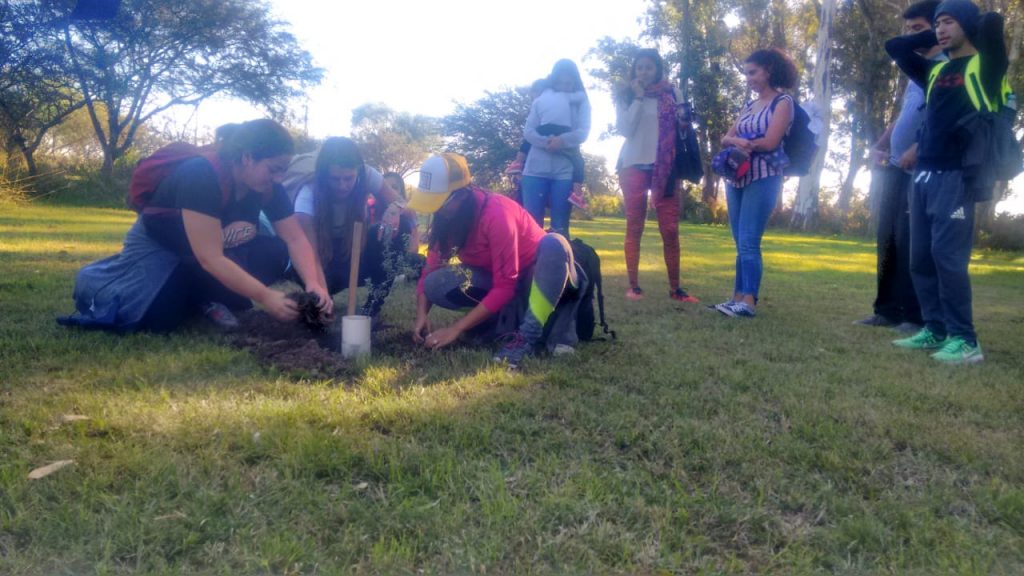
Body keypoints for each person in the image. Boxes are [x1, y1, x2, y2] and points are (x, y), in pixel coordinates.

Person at [60, 119, 331, 332]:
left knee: (274, 252)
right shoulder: (201, 175)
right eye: (274, 169)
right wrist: (264, 296)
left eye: (284, 169)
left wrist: (314, 284)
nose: (279, 178)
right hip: (163, 248)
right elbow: (210, 257)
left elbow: (295, 240)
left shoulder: (269, 187)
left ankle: (205, 296)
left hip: (207, 254)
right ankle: (98, 281)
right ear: (247, 157)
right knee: (158, 318)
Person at [885, 0, 1009, 363]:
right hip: (924, 173)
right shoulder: (936, 72)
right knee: (920, 257)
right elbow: (896, 47)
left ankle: (965, 340)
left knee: (948, 258)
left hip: (957, 175)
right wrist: (937, 32)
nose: (939, 29)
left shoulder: (985, 67)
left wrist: (965, 22)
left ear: (968, 26)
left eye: (948, 22)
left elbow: (994, 22)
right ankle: (935, 329)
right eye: (937, 23)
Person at [408, 153, 585, 369]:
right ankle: (502, 323)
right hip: (508, 288)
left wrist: (456, 328)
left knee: (554, 243)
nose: (436, 211)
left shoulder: (497, 214)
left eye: (440, 203)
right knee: (435, 283)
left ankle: (527, 336)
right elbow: (430, 269)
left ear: (461, 195)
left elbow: (505, 286)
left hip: (540, 280)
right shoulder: (448, 219)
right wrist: (421, 315)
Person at [856, 1, 943, 334]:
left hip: (922, 168)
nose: (910, 36)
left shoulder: (948, 68)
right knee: (888, 238)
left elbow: (946, 117)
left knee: (912, 242)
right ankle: (886, 309)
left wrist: (918, 147)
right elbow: (907, 115)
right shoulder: (916, 67)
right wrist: (883, 142)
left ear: (937, 28)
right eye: (907, 30)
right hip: (894, 165)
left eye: (918, 29)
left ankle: (914, 316)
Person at [291, 137, 417, 317]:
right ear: (323, 175)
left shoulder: (368, 175)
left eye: (349, 178)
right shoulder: (307, 195)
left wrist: (395, 208)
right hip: (322, 258)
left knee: (401, 225)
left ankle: (372, 308)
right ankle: (323, 303)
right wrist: (323, 293)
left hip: (354, 252)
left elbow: (406, 208)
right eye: (335, 179)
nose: (342, 186)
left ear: (358, 171)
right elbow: (310, 254)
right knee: (318, 297)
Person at [713, 48, 797, 318]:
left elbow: (772, 141)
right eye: (746, 73)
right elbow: (726, 138)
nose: (748, 78)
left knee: (749, 241)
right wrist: (739, 141)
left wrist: (747, 142)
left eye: (753, 72)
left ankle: (748, 301)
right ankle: (736, 297)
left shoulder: (783, 102)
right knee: (740, 242)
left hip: (764, 177)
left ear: (768, 70)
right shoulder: (750, 105)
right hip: (737, 176)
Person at [615, 48, 699, 304]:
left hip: (666, 166)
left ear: (658, 69)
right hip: (632, 165)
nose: (644, 71)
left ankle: (676, 289)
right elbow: (625, 129)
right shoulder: (625, 96)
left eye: (649, 67)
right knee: (635, 225)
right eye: (639, 67)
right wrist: (638, 98)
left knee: (671, 229)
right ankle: (634, 286)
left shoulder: (673, 93)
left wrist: (685, 121)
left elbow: (683, 128)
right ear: (634, 71)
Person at [520, 59, 592, 238]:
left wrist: (562, 141)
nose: (563, 87)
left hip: (564, 172)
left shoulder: (581, 101)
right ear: (553, 80)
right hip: (534, 171)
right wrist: (547, 142)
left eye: (568, 83)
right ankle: (531, 266)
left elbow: (583, 132)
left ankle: (560, 265)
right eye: (559, 82)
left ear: (575, 81)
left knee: (560, 230)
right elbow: (528, 132)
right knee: (531, 229)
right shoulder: (541, 100)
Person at [506, 78, 588, 210]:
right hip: (547, 162)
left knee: (530, 138)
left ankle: (518, 162)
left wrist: (549, 143)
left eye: (533, 95)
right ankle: (577, 193)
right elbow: (528, 133)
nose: (533, 100)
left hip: (556, 154)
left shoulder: (548, 98)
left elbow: (529, 134)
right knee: (578, 162)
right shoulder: (543, 102)